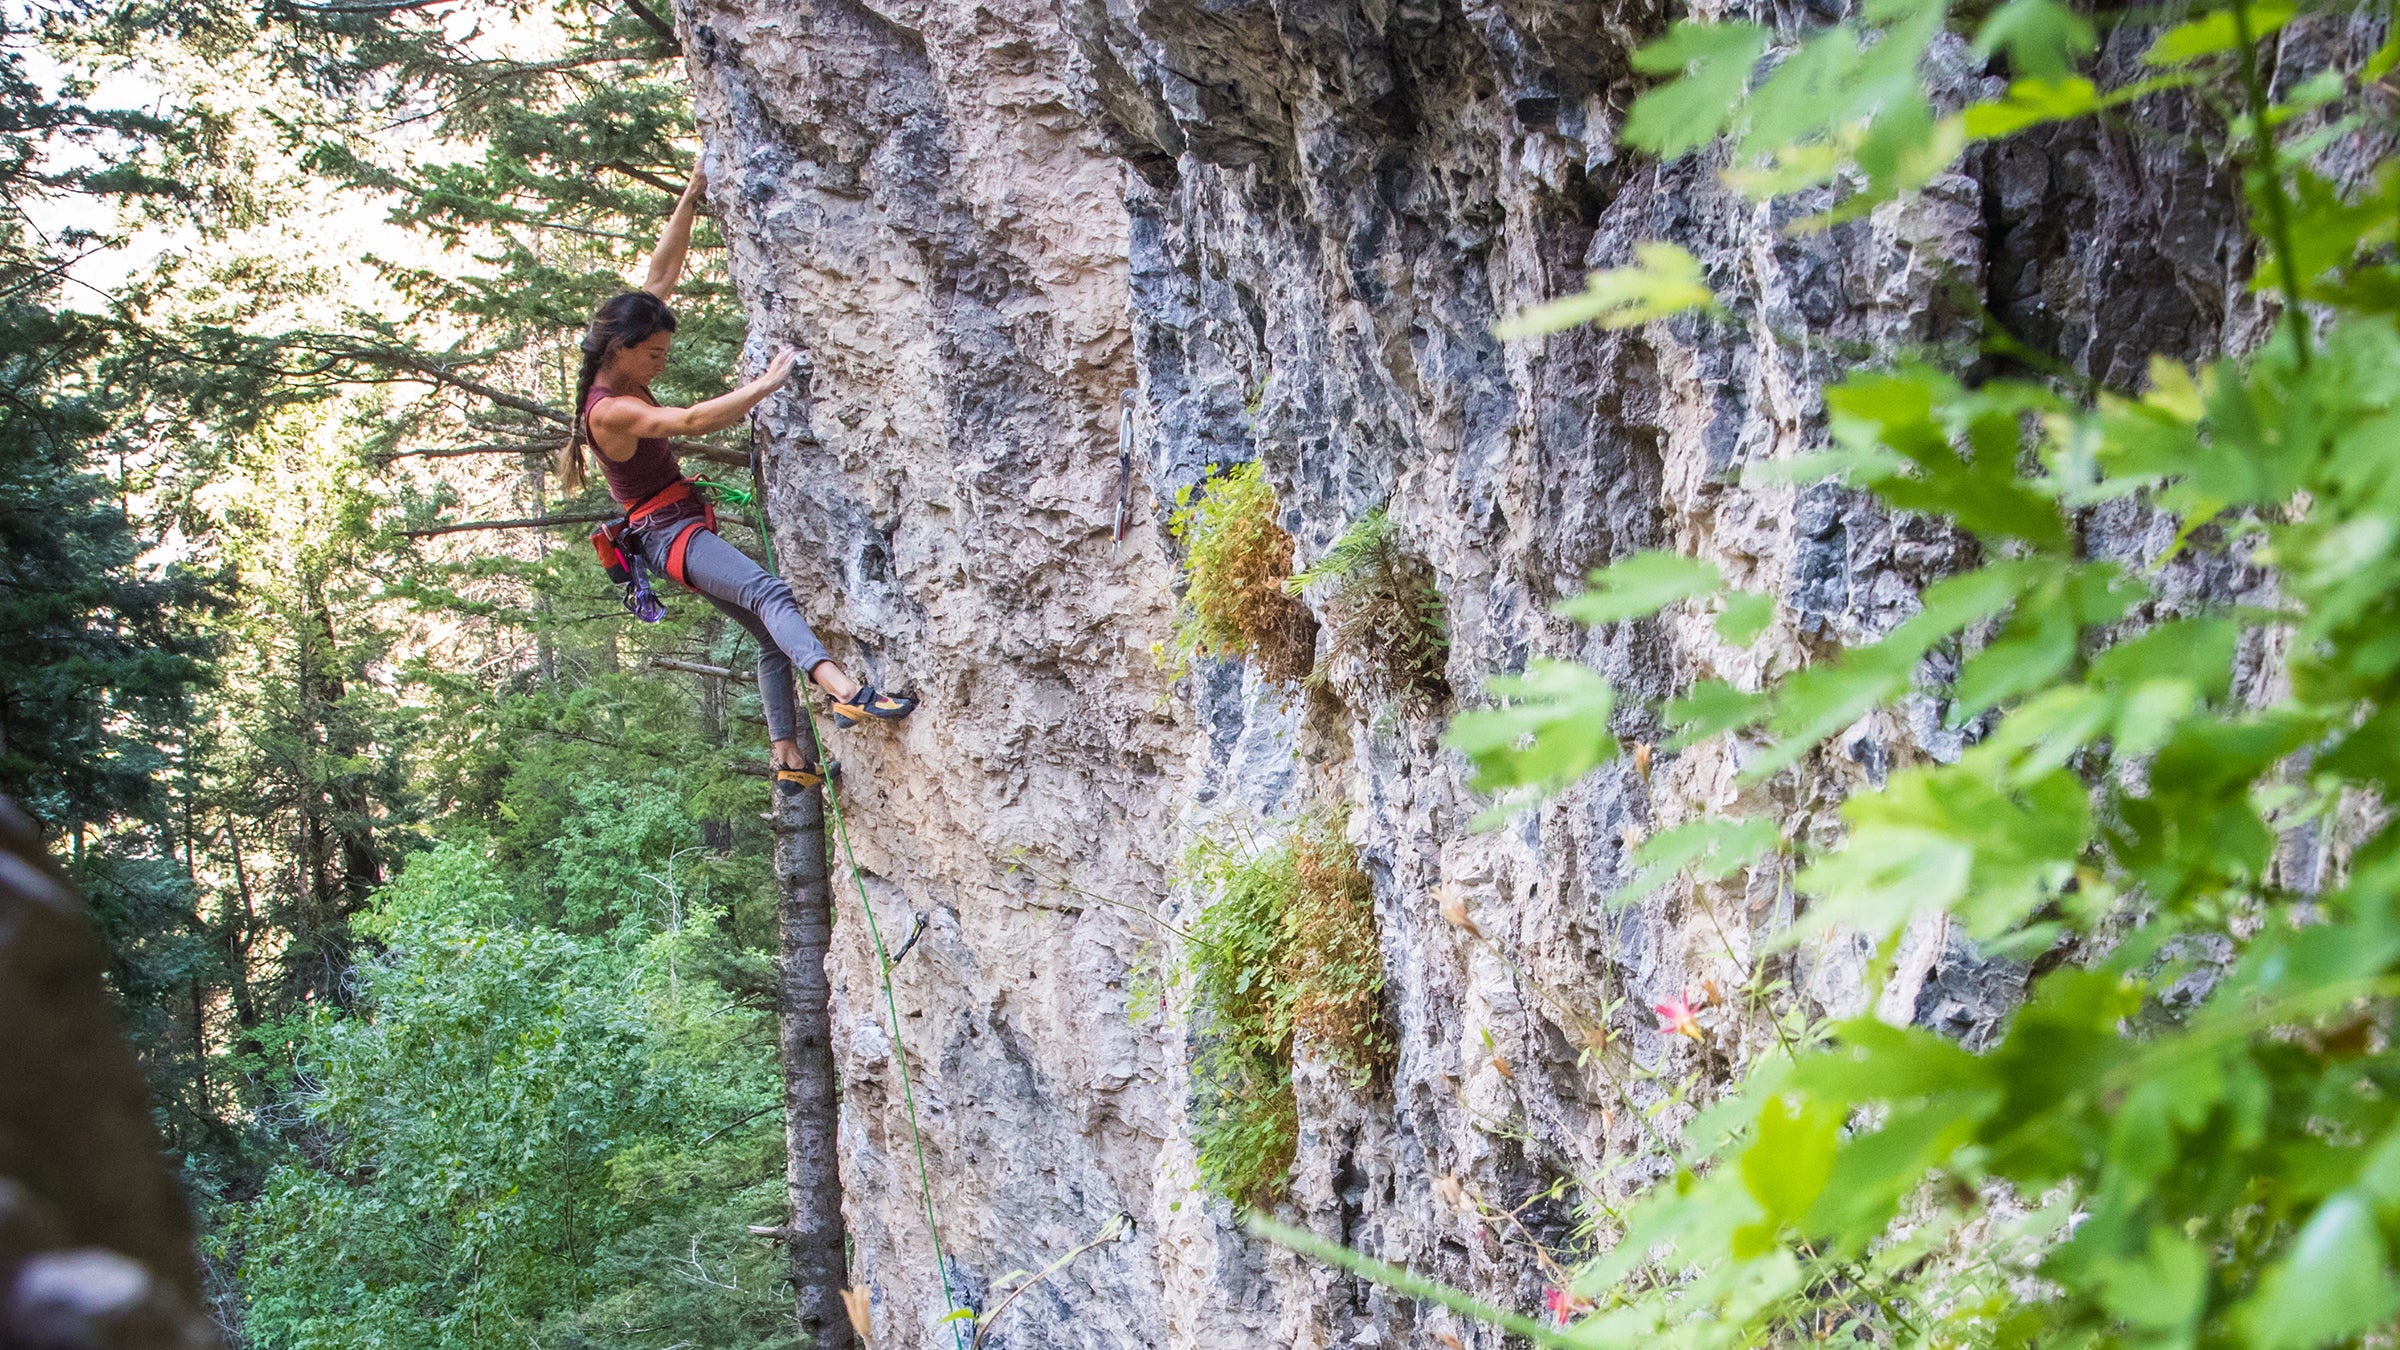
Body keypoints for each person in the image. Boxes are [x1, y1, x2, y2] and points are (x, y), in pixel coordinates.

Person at [559, 164, 915, 788]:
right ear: (620, 349)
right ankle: (847, 691)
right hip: (667, 536)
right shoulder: (611, 409)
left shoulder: (623, 356)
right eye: (654, 354)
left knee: (769, 635)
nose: (661, 362)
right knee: (770, 595)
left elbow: (661, 275)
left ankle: (788, 760)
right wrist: (767, 384)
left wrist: (691, 197)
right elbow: (692, 420)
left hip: (670, 531)